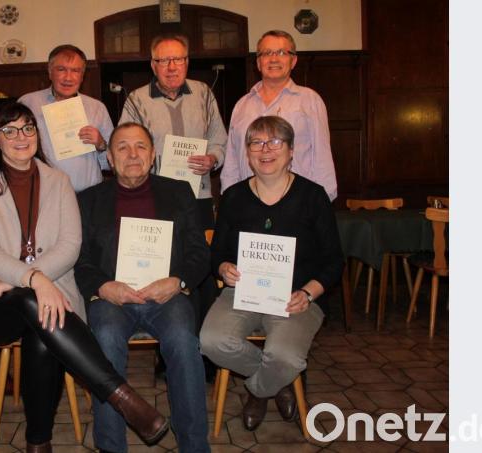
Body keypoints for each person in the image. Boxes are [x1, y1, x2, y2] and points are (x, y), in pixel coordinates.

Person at [0, 103, 169, 452]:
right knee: (33, 300)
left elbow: (71, 246)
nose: (20, 137)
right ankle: (123, 396)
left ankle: (38, 443)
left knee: (41, 323)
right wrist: (35, 280)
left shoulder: (58, 181)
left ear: (37, 134)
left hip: (44, 293)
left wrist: (21, 279)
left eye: (27, 128)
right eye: (8, 131)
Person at [200, 116, 344, 431]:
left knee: (287, 358)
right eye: (257, 143)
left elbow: (334, 261)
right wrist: (224, 267)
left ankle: (257, 390)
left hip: (296, 299)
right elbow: (218, 254)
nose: (266, 150)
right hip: (243, 293)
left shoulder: (313, 196)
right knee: (211, 341)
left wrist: (308, 293)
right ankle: (274, 384)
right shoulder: (234, 197)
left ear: (291, 151)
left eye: (276, 142)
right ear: (247, 153)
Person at [75, 122, 211, 453]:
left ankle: (194, 446)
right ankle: (111, 447)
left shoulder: (179, 192)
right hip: (112, 299)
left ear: (152, 156)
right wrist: (104, 286)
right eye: (122, 147)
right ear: (108, 157)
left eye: (140, 147)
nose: (132, 154)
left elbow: (199, 252)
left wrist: (177, 281)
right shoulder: (87, 200)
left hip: (166, 296)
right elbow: (79, 259)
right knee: (105, 339)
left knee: (182, 339)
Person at [118, 33, 227, 230]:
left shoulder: (204, 93)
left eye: (178, 59)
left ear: (186, 62)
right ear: (153, 65)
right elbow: (123, 145)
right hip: (153, 194)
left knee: (199, 255)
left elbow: (218, 139)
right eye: (163, 60)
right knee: (160, 256)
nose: (171, 67)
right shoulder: (136, 100)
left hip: (198, 193)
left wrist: (212, 158)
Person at [220, 30, 337, 200]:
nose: (274, 59)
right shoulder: (242, 105)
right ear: (259, 62)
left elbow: (322, 158)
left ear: (293, 60)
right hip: (249, 203)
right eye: (267, 53)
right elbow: (231, 161)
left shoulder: (310, 101)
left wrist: (323, 202)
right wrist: (230, 200)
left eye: (282, 52)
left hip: (298, 202)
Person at [19, 44, 114, 192]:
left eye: (75, 70)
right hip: (44, 194)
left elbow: (112, 163)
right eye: (61, 69)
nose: (68, 77)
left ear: (82, 76)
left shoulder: (97, 108)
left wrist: (101, 143)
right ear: (50, 72)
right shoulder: (28, 103)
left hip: (89, 194)